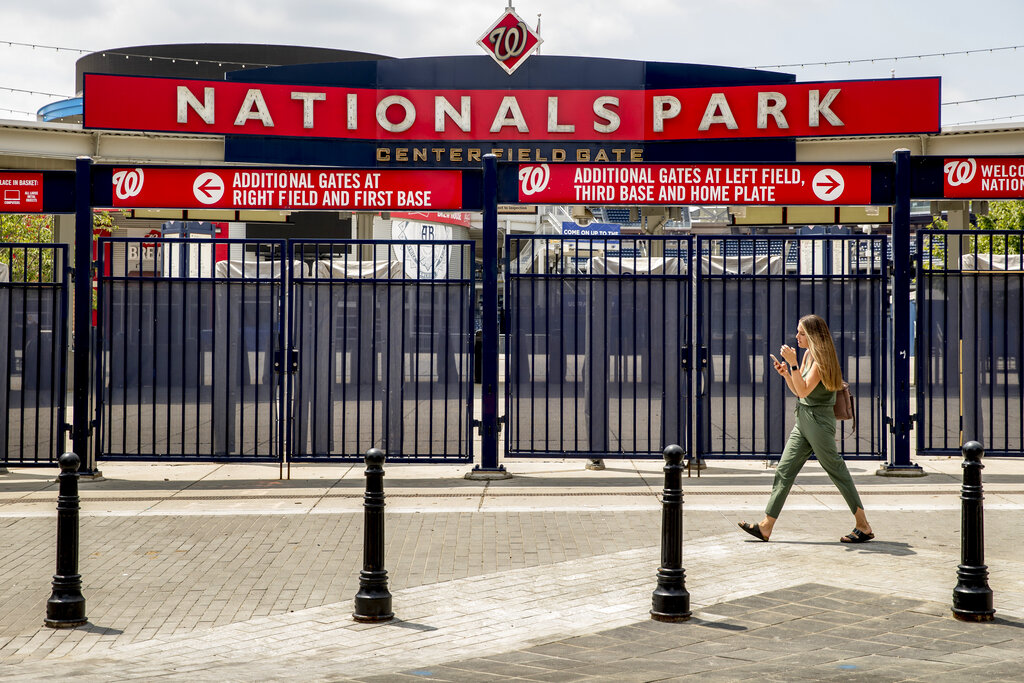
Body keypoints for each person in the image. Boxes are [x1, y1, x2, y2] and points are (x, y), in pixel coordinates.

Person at [738, 314, 874, 544]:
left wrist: (792, 364)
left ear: (812, 336)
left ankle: (863, 525)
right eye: (797, 332)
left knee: (836, 470)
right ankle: (766, 526)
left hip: (819, 422)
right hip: (804, 418)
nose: (797, 337)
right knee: (784, 469)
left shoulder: (821, 360)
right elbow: (799, 390)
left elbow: (803, 391)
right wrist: (786, 374)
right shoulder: (809, 355)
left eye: (801, 333)